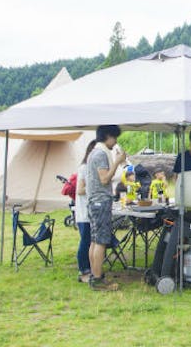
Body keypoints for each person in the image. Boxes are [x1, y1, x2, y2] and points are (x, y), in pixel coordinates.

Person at [86, 125, 126, 291]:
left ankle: (94, 276)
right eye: (114, 138)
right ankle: (97, 279)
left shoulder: (93, 152)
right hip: (101, 201)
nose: (115, 142)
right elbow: (104, 179)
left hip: (93, 201)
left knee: (95, 240)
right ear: (108, 136)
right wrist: (117, 161)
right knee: (101, 241)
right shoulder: (101, 153)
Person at [75, 139, 97, 283]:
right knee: (86, 241)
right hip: (84, 212)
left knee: (91, 241)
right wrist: (95, 188)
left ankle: (92, 269)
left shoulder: (93, 168)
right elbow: (80, 190)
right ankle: (84, 270)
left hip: (92, 211)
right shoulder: (84, 168)